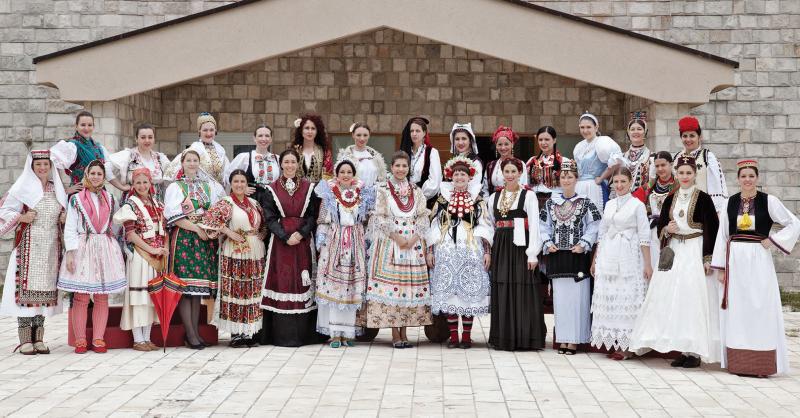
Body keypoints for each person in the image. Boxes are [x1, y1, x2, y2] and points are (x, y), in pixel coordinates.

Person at [629, 156, 720, 368]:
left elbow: (711, 231)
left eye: (689, 173)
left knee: (693, 299)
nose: (685, 177)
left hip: (695, 250)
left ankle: (695, 351)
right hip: (676, 251)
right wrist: (666, 230)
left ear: (694, 175)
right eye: (682, 173)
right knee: (674, 300)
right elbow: (661, 225)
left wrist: (707, 259)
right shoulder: (671, 198)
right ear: (676, 174)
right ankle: (682, 348)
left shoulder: (704, 199)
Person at [712, 159, 800, 377]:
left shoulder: (768, 201)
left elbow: (794, 223)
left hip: (759, 259)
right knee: (738, 309)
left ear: (757, 178)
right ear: (738, 178)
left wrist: (774, 240)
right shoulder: (730, 203)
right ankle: (740, 363)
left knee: (759, 306)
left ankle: (761, 365)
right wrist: (721, 268)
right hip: (735, 260)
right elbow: (722, 236)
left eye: (751, 176)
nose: (748, 180)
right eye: (744, 176)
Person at [0, 150, 67, 355]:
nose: (42, 168)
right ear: (32, 167)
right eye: (38, 165)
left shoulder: (57, 189)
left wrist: (64, 217)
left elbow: (64, 211)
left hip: (50, 249)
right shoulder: (21, 188)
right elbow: (4, 211)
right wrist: (21, 217)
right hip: (28, 247)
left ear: (50, 166)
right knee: (26, 294)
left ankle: (39, 338)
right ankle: (25, 340)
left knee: (44, 293)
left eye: (46, 164)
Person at [364, 151, 432, 348]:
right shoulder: (383, 189)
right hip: (391, 241)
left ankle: (405, 332)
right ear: (391, 167)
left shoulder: (416, 190)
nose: (401, 169)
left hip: (412, 243)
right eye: (397, 166)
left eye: (404, 166)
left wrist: (413, 238)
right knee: (394, 286)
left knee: (408, 288)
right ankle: (395, 332)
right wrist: (397, 237)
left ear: (408, 168)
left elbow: (422, 216)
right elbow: (380, 217)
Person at [58, 160, 126, 354]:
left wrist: (112, 241)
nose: (96, 176)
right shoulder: (77, 199)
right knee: (81, 296)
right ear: (87, 175)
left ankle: (98, 338)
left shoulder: (110, 198)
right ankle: (80, 339)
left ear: (104, 177)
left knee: (102, 296)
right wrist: (70, 253)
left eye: (99, 174)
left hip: (104, 246)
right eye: (93, 173)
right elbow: (70, 227)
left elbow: (115, 224)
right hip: (83, 247)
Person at [427, 156, 492, 349]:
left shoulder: (478, 200)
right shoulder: (442, 199)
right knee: (450, 294)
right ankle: (454, 336)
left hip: (471, 251)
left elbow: (486, 226)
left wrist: (487, 251)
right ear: (451, 177)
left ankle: (467, 337)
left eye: (463, 174)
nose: (459, 177)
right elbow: (433, 226)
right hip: (446, 252)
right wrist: (430, 250)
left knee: (468, 292)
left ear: (469, 177)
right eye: (456, 174)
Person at [259, 149, 321, 347]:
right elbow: (269, 217)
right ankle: (281, 335)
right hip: (281, 244)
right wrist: (285, 236)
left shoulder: (309, 187)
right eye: (286, 162)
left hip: (303, 241)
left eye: (293, 162)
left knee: (302, 280)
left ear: (298, 164)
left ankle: (305, 335)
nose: (289, 165)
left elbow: (313, 215)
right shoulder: (272, 189)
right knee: (283, 281)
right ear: (281, 164)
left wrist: (301, 234)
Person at [539, 160, 601, 355]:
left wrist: (584, 243)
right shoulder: (551, 202)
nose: (566, 179)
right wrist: (548, 243)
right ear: (559, 179)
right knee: (561, 299)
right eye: (563, 176)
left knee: (578, 299)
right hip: (557, 256)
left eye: (570, 176)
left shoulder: (585, 202)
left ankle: (575, 340)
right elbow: (542, 225)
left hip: (577, 256)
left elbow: (595, 224)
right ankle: (563, 339)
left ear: (577, 179)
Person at [164, 149, 224, 349]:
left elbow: (215, 212)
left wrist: (207, 229)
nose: (191, 163)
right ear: (182, 163)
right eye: (188, 160)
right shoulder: (176, 187)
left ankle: (196, 333)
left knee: (197, 290)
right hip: (185, 237)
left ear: (200, 163)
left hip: (204, 238)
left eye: (195, 160)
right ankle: (190, 334)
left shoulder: (208, 186)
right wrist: (197, 228)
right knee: (186, 288)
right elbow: (174, 217)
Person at [590, 166, 652, 360]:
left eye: (623, 182)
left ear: (630, 182)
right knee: (611, 296)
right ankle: (615, 340)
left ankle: (628, 346)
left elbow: (644, 236)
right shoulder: (609, 205)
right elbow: (601, 233)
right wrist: (595, 260)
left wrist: (647, 264)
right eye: (616, 182)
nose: (619, 185)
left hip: (629, 256)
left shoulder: (637, 205)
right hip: (608, 254)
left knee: (627, 296)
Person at [201, 170, 267, 347]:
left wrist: (262, 233)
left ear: (247, 184)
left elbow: (265, 223)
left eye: (242, 181)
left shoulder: (254, 203)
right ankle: (236, 334)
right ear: (231, 183)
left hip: (254, 249)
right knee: (236, 288)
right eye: (236, 181)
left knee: (252, 289)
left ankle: (249, 332)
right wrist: (228, 231)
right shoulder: (226, 202)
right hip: (234, 250)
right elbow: (209, 220)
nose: (239, 185)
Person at [314, 159, 375, 348]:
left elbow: (366, 220)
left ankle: (348, 332)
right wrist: (321, 242)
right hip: (334, 242)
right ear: (337, 175)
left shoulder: (363, 193)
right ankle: (334, 333)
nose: (346, 175)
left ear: (353, 174)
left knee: (351, 286)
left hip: (355, 242)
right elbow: (323, 220)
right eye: (342, 172)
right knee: (334, 286)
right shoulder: (328, 193)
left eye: (349, 172)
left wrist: (367, 242)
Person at [486, 158, 544, 351]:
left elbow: (535, 225)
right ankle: (504, 337)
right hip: (501, 246)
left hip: (520, 246)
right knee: (503, 288)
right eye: (506, 171)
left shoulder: (529, 196)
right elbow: (490, 225)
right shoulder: (493, 198)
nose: (510, 175)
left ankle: (525, 338)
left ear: (520, 173)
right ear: (502, 174)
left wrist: (533, 254)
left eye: (513, 171)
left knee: (522, 289)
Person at [112, 168, 168, 351]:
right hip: (140, 255)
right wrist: (152, 249)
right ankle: (138, 339)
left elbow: (164, 230)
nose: (142, 186)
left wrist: (163, 248)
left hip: (157, 256)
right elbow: (131, 235)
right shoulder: (130, 205)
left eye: (145, 182)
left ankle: (147, 337)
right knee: (139, 297)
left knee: (152, 297)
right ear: (133, 185)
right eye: (138, 182)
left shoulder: (157, 203)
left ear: (150, 183)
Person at [50, 111, 121, 194]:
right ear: (76, 126)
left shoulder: (99, 148)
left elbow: (107, 172)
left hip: (99, 194)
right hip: (80, 196)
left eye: (90, 125)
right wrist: (64, 189)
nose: (86, 128)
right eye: (83, 125)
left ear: (93, 127)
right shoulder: (72, 146)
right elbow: (54, 163)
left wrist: (122, 187)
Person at [672, 116, 727, 212]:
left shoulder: (708, 157)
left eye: (692, 136)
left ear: (699, 136)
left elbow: (716, 187)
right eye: (685, 136)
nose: (688, 139)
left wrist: (716, 213)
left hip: (702, 210)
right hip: (680, 210)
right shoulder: (677, 157)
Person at [632, 151, 677, 270]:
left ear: (671, 164)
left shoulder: (678, 185)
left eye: (663, 165)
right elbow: (632, 201)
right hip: (652, 232)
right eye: (657, 166)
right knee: (653, 264)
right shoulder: (650, 185)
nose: (660, 169)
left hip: (672, 231)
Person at [109, 123, 172, 200]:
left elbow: (172, 176)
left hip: (156, 203)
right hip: (133, 202)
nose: (147, 140)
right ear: (136, 139)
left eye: (150, 137)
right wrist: (121, 187)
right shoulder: (128, 156)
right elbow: (106, 168)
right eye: (143, 137)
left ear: (154, 139)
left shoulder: (161, 158)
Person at [165, 113, 230, 187]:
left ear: (215, 131)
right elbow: (171, 174)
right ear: (199, 131)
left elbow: (229, 174)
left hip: (219, 193)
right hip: (200, 193)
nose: (208, 133)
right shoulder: (193, 149)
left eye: (211, 130)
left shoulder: (220, 151)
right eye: (205, 130)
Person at [573, 112, 621, 210]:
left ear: (596, 127)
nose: (585, 130)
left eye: (588, 127)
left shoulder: (602, 142)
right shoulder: (579, 146)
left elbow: (617, 162)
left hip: (595, 187)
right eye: (582, 127)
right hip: (579, 187)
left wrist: (601, 178)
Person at [223, 123, 280, 203]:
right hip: (251, 200)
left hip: (272, 200)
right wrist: (242, 188)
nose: (264, 139)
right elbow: (228, 175)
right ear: (254, 138)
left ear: (271, 139)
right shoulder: (245, 157)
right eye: (260, 136)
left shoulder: (277, 159)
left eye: (267, 136)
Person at [399, 116, 442, 209]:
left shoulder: (432, 152)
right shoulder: (405, 152)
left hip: (424, 202)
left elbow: (434, 182)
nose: (414, 134)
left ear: (424, 133)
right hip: (403, 200)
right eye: (412, 131)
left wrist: (417, 197)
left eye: (417, 131)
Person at [608, 113, 651, 198]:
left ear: (645, 132)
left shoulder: (651, 157)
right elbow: (614, 182)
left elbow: (652, 182)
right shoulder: (621, 157)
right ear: (628, 133)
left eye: (639, 129)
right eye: (632, 129)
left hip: (642, 201)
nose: (636, 132)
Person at [336, 122, 387, 188]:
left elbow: (381, 179)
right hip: (352, 195)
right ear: (353, 135)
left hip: (374, 195)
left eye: (365, 135)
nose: (362, 139)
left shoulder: (376, 157)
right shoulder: (345, 157)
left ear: (369, 135)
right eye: (358, 135)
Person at [527, 126, 566, 208]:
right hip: (534, 202)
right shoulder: (532, 161)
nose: (543, 143)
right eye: (540, 140)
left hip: (556, 202)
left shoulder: (564, 161)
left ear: (554, 140)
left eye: (547, 139)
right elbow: (525, 183)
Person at [483, 125, 527, 196]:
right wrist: (489, 201)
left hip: (515, 202)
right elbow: (485, 188)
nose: (503, 148)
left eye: (506, 144)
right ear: (496, 146)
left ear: (512, 144)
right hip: (494, 203)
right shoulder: (491, 166)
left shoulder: (520, 164)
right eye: (500, 144)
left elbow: (523, 186)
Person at [292, 113, 333, 183]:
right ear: (301, 131)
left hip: (318, 192)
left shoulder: (324, 151)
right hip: (297, 191)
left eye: (313, 128)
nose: (310, 132)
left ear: (317, 131)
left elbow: (328, 176)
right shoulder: (294, 151)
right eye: (307, 128)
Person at [449, 123, 483, 196]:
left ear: (470, 140)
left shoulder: (475, 162)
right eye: (457, 139)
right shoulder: (452, 161)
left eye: (464, 138)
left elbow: (474, 187)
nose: (460, 142)